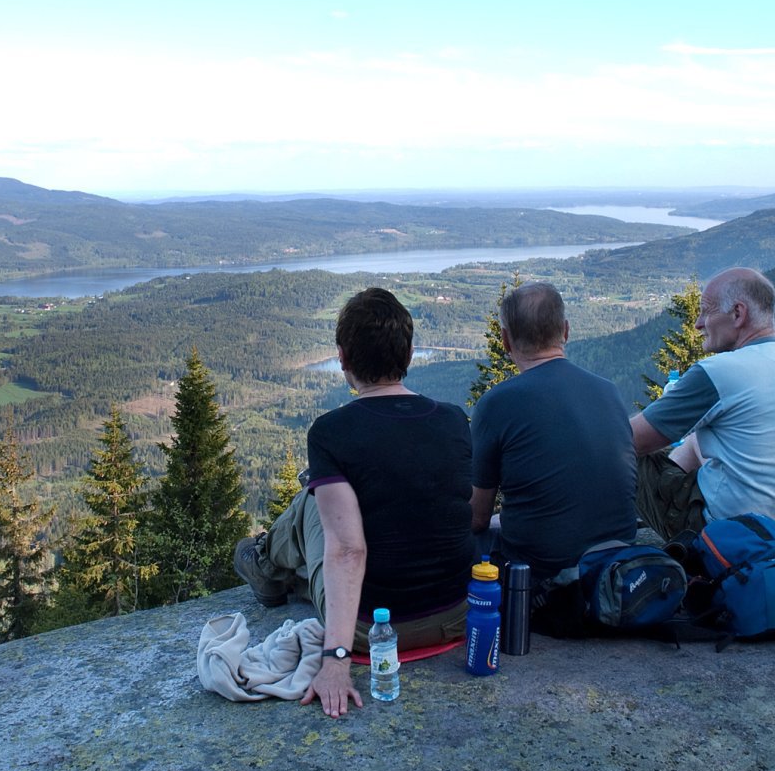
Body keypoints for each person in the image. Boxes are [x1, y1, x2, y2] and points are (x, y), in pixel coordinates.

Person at [233, 287, 471, 718]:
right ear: (409, 353)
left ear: (342, 357)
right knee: (333, 495)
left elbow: (347, 549)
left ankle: (265, 565)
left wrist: (335, 661)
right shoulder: (454, 419)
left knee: (312, 498)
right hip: (455, 616)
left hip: (372, 631)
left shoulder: (331, 432)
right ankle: (279, 568)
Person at [630, 267, 775, 555]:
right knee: (698, 437)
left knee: (625, 454)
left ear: (738, 313)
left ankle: (601, 540)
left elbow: (629, 440)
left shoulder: (719, 371)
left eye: (706, 312)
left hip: (731, 540)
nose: (698, 323)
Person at [469, 281, 636, 579]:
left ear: (505, 340)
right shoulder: (608, 391)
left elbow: (478, 517)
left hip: (541, 573)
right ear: (566, 331)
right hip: (619, 562)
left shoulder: (496, 403)